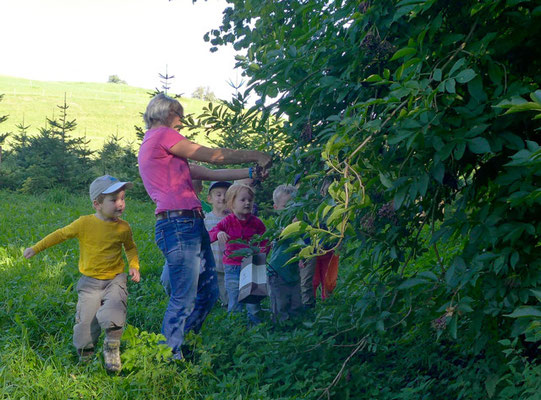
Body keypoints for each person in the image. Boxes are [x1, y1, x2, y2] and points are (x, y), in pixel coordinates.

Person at [138, 93, 271, 360]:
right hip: (177, 223)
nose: (182, 123)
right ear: (166, 113)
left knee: (208, 292)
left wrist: (250, 173)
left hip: (189, 222)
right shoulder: (161, 135)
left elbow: (210, 174)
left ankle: (183, 347)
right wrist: (257, 155)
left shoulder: (166, 153)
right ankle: (168, 357)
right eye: (179, 116)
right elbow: (213, 156)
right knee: (184, 296)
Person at [23, 175, 141, 372]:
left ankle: (112, 347)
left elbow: (130, 247)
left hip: (115, 278)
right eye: (114, 200)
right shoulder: (84, 223)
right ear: (97, 204)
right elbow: (60, 234)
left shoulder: (123, 227)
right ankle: (86, 359)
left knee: (114, 308)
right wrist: (36, 248)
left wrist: (134, 265)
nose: (120, 204)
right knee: (86, 322)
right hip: (90, 282)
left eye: (122, 198)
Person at [208, 184, 267, 325]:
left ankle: (255, 327)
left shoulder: (256, 222)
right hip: (232, 267)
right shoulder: (228, 221)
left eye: (250, 200)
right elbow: (211, 233)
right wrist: (219, 233)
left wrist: (262, 253)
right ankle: (235, 328)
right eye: (243, 200)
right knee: (234, 299)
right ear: (231, 203)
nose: (247, 203)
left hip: (252, 266)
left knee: (253, 300)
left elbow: (266, 239)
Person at [266, 184, 303, 322]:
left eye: (293, 205)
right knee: (280, 303)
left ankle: (295, 326)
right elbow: (280, 236)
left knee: (295, 302)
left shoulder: (299, 222)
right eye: (285, 205)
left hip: (293, 271)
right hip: (278, 271)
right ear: (276, 208)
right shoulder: (279, 223)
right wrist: (292, 228)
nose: (290, 209)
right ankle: (280, 327)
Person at [204, 181, 232, 306]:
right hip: (212, 262)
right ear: (210, 199)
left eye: (226, 195)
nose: (223, 198)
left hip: (229, 263)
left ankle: (228, 307)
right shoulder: (205, 218)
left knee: (228, 290)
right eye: (218, 195)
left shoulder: (233, 219)